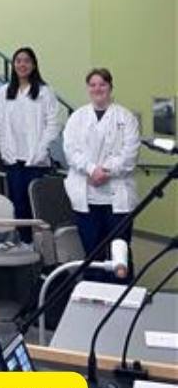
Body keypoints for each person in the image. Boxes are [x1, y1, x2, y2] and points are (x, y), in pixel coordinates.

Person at [62, 67, 139, 279]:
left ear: (110, 87)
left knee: (120, 252)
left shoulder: (126, 117)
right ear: (88, 88)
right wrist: (90, 169)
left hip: (118, 196)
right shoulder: (77, 117)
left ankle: (121, 294)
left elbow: (129, 154)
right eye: (93, 85)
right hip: (86, 196)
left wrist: (104, 171)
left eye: (102, 84)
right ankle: (94, 297)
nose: (98, 89)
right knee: (92, 253)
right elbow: (70, 149)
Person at [0, 47, 62, 239]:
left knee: (37, 207)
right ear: (13, 65)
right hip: (13, 159)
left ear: (33, 65)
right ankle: (24, 244)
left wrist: (41, 150)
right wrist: (4, 150)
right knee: (19, 204)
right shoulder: (4, 91)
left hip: (36, 160)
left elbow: (53, 124)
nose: (22, 65)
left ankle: (42, 248)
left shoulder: (45, 91)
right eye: (18, 61)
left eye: (26, 61)